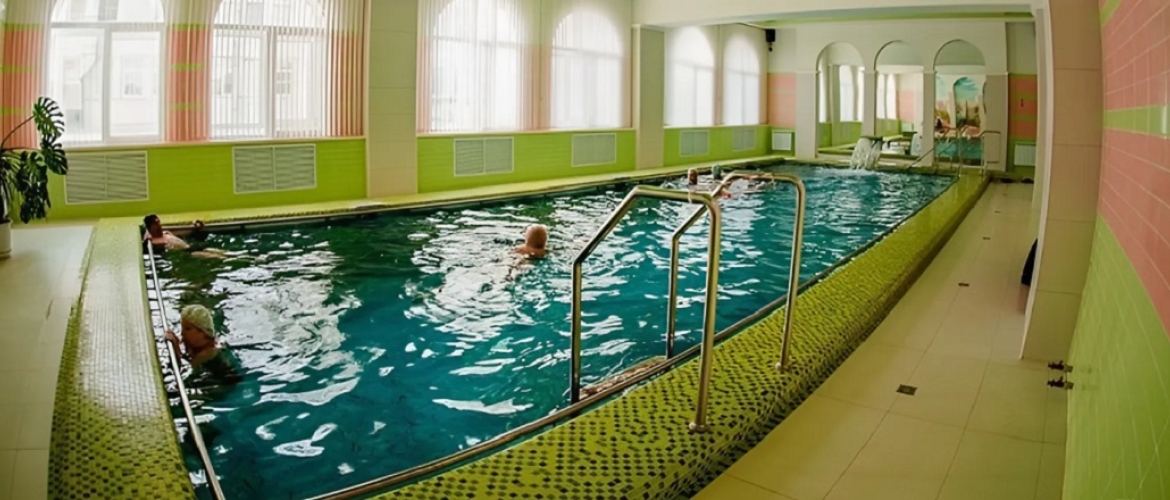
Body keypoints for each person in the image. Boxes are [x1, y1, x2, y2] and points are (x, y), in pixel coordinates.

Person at [165, 305, 239, 382]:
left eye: (188, 329)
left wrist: (176, 350)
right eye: (182, 328)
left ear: (203, 332)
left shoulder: (210, 353)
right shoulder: (193, 346)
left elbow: (182, 375)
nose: (182, 333)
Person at [144, 215, 227, 259]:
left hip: (191, 247)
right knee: (220, 257)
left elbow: (184, 233)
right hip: (188, 253)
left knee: (225, 253)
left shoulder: (166, 233)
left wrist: (195, 228)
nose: (159, 225)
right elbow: (146, 237)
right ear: (150, 227)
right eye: (156, 224)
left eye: (159, 222)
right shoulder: (154, 241)